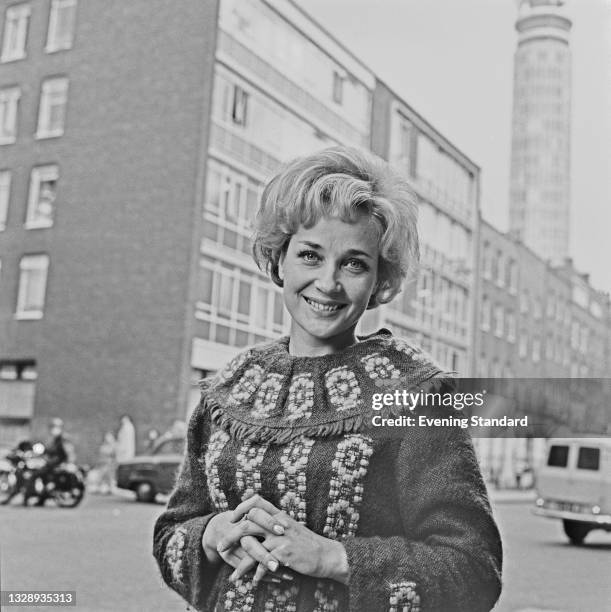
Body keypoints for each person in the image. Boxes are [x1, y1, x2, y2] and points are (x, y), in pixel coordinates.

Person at [153, 147, 502, 611]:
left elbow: (474, 572)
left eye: (354, 262)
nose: (329, 283)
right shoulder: (229, 390)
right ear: (279, 259)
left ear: (380, 281)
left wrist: (333, 558)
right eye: (310, 255)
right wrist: (211, 535)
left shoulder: (417, 395)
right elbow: (172, 534)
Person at [31, 417, 69, 506]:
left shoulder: (62, 439)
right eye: (52, 427)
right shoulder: (56, 440)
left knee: (36, 474)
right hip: (53, 463)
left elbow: (65, 453)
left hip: (56, 464)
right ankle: (43, 497)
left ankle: (32, 496)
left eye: (55, 426)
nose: (54, 429)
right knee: (43, 477)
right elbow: (51, 450)